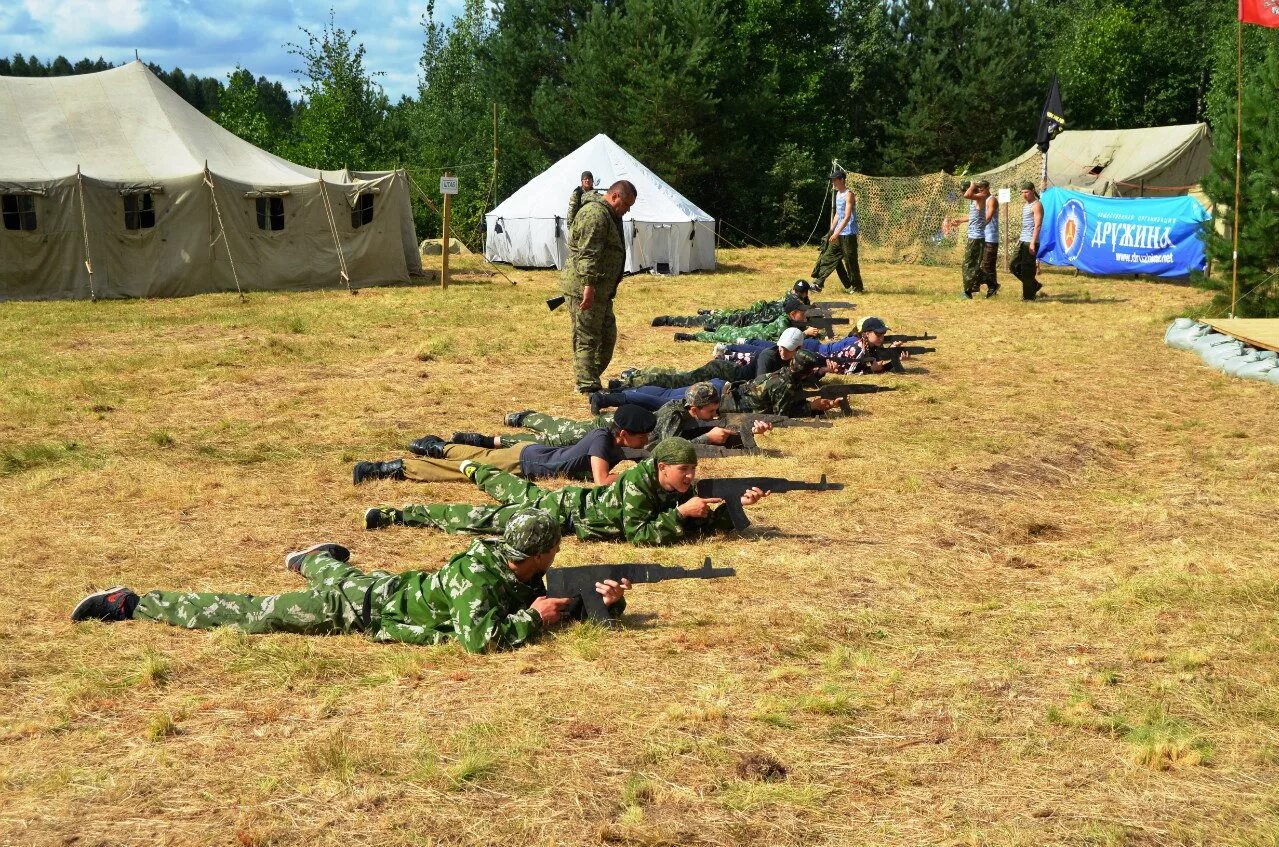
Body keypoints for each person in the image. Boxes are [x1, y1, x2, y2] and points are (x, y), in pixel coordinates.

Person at [70, 510, 630, 654]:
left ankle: (312, 557)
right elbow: (478, 640)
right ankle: (131, 603)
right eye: (556, 549)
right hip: (359, 612)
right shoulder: (480, 582)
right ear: (540, 553)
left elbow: (553, 600)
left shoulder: (518, 567)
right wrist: (535, 620)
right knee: (255, 613)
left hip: (383, 591)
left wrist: (604, 605)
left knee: (341, 573)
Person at [364, 438, 770, 547]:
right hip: (559, 511)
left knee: (507, 488)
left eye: (694, 470)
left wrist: (733, 508)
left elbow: (697, 525)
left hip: (568, 510)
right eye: (685, 470)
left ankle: (474, 468)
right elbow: (641, 535)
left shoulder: (673, 485)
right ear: (662, 468)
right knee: (482, 514)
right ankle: (400, 513)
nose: (691, 477)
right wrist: (681, 514)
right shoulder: (638, 486)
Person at [353, 405, 656, 486]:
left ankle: (437, 446)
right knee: (462, 471)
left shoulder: (609, 436)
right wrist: (643, 475)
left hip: (532, 452)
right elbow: (602, 481)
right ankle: (391, 469)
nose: (645, 441)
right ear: (623, 433)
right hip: (525, 464)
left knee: (481, 453)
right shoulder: (603, 441)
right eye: (641, 436)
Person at [472, 382, 772, 451]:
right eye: (710, 411)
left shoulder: (689, 414)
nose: (714, 415)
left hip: (623, 432)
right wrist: (708, 437)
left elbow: (708, 432)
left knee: (556, 436)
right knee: (555, 436)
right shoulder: (672, 416)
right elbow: (662, 450)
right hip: (610, 429)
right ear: (694, 410)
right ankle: (504, 433)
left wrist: (749, 434)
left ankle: (513, 427)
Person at [595, 351, 840, 417]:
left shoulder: (782, 373)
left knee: (666, 392)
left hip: (721, 386)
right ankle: (608, 398)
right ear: (806, 372)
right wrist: (812, 407)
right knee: (663, 401)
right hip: (718, 399)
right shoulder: (785, 386)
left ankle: (615, 392)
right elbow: (782, 414)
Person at [562, 179, 637, 394]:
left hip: (601, 291)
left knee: (607, 336)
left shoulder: (609, 215)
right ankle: (587, 386)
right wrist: (588, 286)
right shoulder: (595, 214)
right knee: (587, 335)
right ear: (614, 196)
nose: (626, 210)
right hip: (585, 288)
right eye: (626, 205)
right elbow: (588, 253)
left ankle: (590, 376)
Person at [605, 328, 806, 394]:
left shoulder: (793, 358)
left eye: (786, 349)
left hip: (727, 373)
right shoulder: (769, 356)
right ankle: (625, 385)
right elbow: (762, 387)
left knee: (678, 377)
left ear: (798, 349)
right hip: (721, 372)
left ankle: (634, 377)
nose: (782, 351)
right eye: (780, 346)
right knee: (678, 382)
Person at [651, 280, 813, 328]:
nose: (795, 294)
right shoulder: (790, 302)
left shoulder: (799, 305)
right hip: (748, 319)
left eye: (799, 293)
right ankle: (669, 320)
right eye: (795, 291)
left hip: (751, 322)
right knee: (715, 320)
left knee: (721, 318)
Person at [674, 295, 821, 345]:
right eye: (802, 312)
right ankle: (692, 336)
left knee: (730, 330)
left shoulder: (788, 320)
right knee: (722, 336)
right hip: (752, 335)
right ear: (793, 313)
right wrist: (805, 333)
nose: (805, 315)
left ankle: (713, 328)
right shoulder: (783, 323)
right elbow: (787, 340)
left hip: (756, 331)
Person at [809, 167, 864, 293]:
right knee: (828, 257)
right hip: (838, 233)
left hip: (848, 233)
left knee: (850, 262)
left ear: (842, 180)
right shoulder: (837, 194)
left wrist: (837, 232)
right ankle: (818, 284)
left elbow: (847, 216)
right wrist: (831, 231)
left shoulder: (849, 194)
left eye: (835, 180)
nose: (833, 182)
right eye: (832, 180)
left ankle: (857, 287)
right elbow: (838, 214)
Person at [947, 180, 988, 299]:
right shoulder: (974, 201)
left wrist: (972, 185)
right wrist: (960, 220)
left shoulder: (981, 196)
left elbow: (967, 195)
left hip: (977, 237)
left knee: (967, 265)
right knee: (971, 264)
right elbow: (974, 215)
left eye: (963, 191)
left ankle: (967, 292)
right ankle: (989, 283)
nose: (962, 194)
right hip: (973, 236)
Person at [1010, 181, 1044, 300]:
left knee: (1027, 269)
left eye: (1027, 192)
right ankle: (1033, 284)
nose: (1024, 195)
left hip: (1031, 241)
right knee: (1013, 265)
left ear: (1033, 191)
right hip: (1023, 240)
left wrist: (1033, 243)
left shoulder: (1036, 205)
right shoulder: (1026, 205)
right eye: (1022, 192)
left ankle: (1029, 296)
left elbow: (1038, 225)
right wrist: (1020, 240)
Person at [980, 180, 1001, 297]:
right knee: (988, 266)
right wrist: (961, 220)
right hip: (983, 236)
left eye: (982, 189)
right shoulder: (981, 200)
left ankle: (993, 286)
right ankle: (993, 289)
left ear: (988, 188)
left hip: (991, 237)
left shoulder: (992, 200)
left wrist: (978, 226)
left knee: (987, 265)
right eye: (978, 189)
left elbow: (988, 217)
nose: (980, 191)